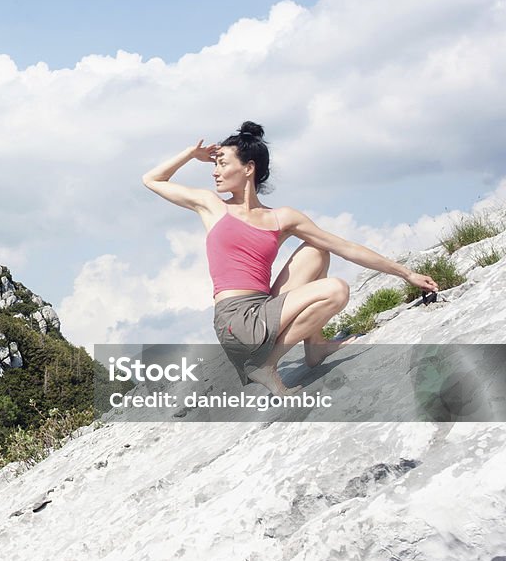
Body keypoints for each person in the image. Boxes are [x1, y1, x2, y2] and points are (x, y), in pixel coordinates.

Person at [141, 121, 439, 395]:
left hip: (264, 308)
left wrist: (405, 274)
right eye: (215, 164)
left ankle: (316, 347)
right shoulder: (212, 206)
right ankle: (265, 364)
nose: (214, 171)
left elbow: (344, 246)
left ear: (248, 169)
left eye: (221, 164)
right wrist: (191, 154)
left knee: (318, 249)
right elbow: (152, 179)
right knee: (335, 289)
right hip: (236, 320)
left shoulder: (282, 218)